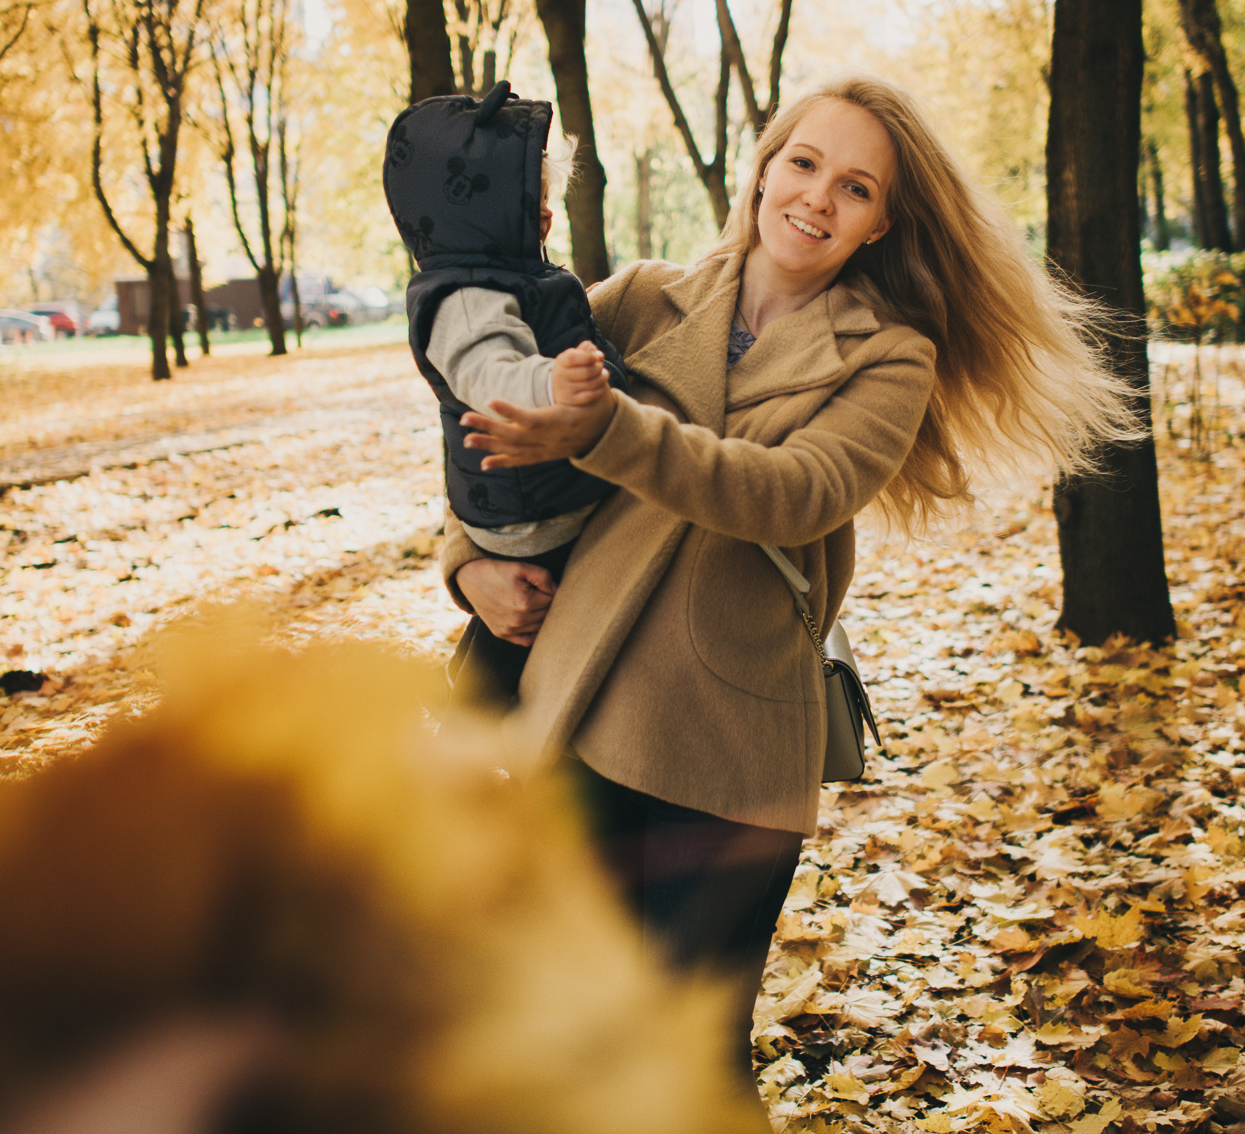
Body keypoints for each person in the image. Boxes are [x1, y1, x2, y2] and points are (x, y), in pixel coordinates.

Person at [439, 75, 1139, 1102]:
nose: (817, 197)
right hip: (574, 708)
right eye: (803, 163)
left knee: (690, 1059)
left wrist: (606, 430)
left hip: (729, 749)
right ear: (763, 168)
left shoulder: (889, 357)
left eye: (854, 188)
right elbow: (480, 432)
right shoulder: (636, 299)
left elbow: (795, 495)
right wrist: (469, 564)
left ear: (880, 222)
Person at [384, 81, 624, 707]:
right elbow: (491, 377)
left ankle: (485, 700)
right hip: (528, 509)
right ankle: (482, 706)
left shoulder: (510, 278)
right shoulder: (465, 300)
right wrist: (553, 384)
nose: (547, 215)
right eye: (530, 202)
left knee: (533, 628)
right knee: (538, 616)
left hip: (537, 494)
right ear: (476, 210)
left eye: (546, 199)